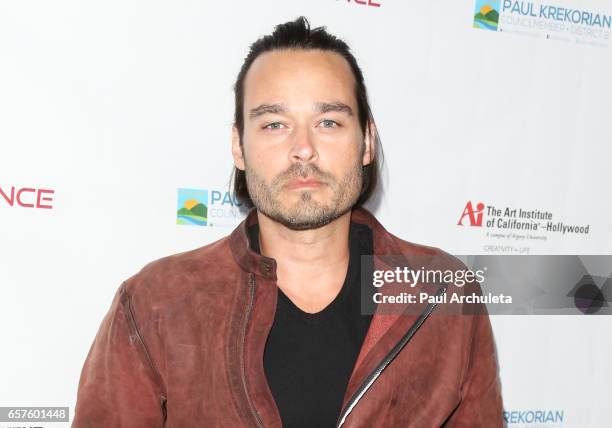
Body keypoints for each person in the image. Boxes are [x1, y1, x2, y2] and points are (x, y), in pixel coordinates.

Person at [73, 16, 503, 427]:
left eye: (329, 122)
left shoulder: (443, 292)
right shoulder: (156, 302)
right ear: (238, 147)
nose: (303, 149)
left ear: (367, 142)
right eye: (275, 124)